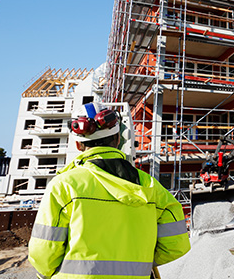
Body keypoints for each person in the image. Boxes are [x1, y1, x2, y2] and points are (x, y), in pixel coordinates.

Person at [29, 102, 190, 278]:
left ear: (78, 145)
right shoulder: (151, 187)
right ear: (118, 139)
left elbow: (43, 253)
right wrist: (138, 263)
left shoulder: (63, 185)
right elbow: (177, 245)